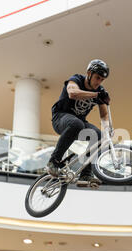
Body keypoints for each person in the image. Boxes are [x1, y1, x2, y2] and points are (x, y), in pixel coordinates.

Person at [46, 59, 111, 187]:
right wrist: (96, 95)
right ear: (89, 73)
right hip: (61, 118)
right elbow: (72, 93)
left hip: (79, 122)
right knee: (77, 124)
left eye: (101, 80)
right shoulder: (76, 79)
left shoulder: (99, 91)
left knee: (98, 135)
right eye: (97, 78)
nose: (99, 82)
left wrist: (107, 129)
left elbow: (103, 114)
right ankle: (53, 161)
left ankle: (86, 174)